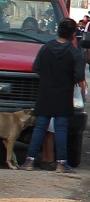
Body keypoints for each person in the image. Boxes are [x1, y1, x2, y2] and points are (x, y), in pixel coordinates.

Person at [21, 19, 86, 172]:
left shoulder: (46, 47)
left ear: (58, 30)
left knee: (40, 127)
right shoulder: (75, 52)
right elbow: (79, 76)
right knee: (61, 128)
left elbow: (36, 67)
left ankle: (29, 161)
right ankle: (61, 163)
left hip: (45, 92)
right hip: (64, 93)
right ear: (73, 34)